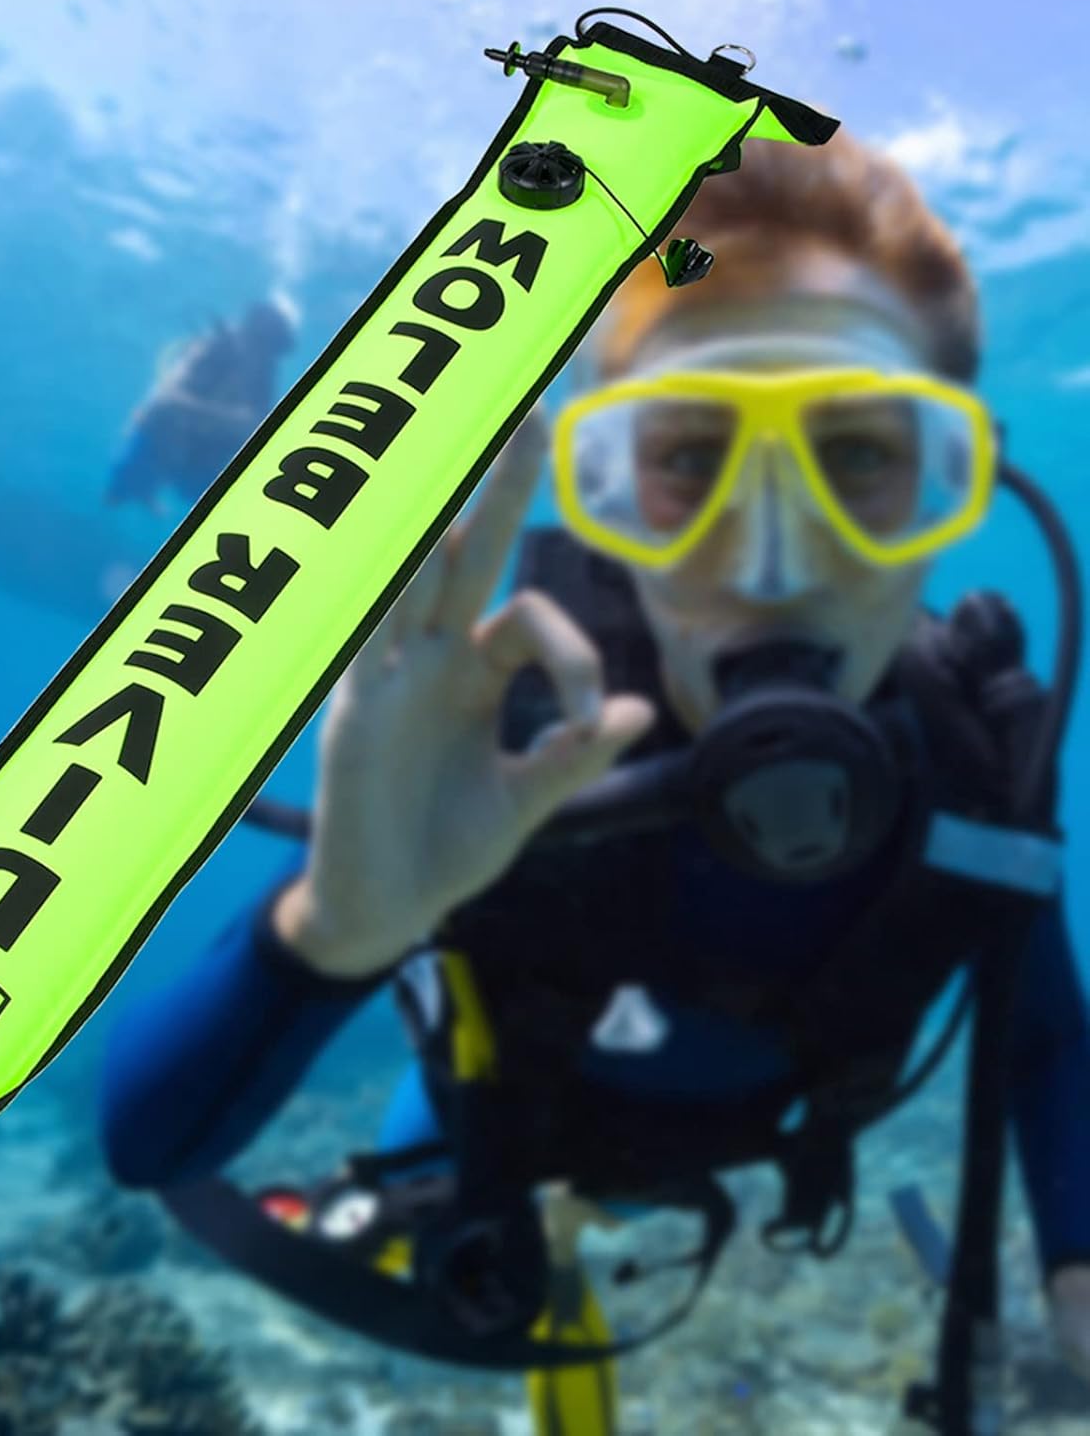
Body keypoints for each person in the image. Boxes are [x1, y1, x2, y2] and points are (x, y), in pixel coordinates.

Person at [97, 131, 1090, 1427]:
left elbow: (1046, 1041)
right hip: (489, 1132)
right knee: (438, 1228)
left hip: (760, 1135)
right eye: (686, 460)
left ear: (955, 485)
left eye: (858, 458)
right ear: (600, 493)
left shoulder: (976, 765)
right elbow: (149, 1145)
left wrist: (1079, 1267)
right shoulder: (496, 737)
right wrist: (328, 936)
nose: (774, 561)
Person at [106, 294, 299, 514]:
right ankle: (142, 490)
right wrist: (232, 419)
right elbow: (166, 399)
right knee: (118, 492)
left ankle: (146, 489)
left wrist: (236, 423)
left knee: (228, 508)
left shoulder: (265, 372)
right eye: (264, 341)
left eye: (272, 347)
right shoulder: (215, 347)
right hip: (163, 437)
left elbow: (257, 427)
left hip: (204, 454)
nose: (265, 354)